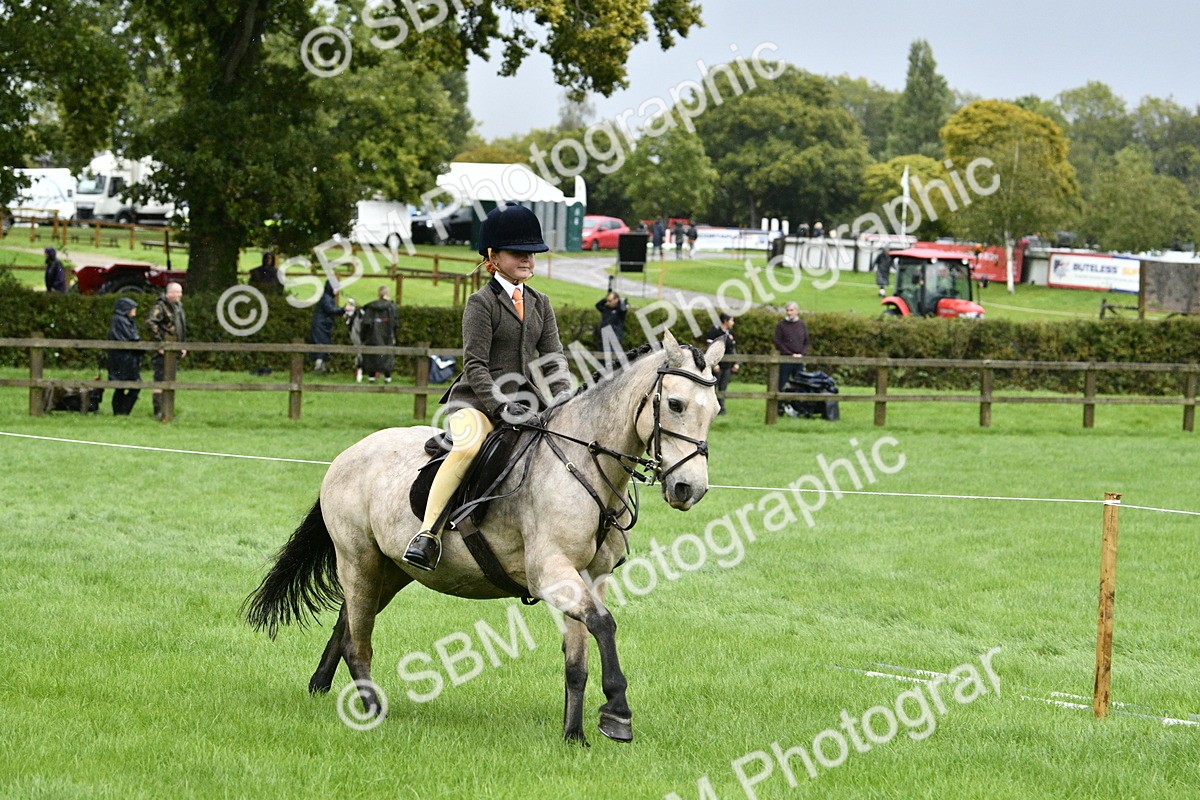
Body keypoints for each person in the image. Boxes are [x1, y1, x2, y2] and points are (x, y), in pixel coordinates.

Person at [403, 202, 573, 571]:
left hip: (529, 403)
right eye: (518, 253)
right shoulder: (480, 303)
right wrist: (499, 407)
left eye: (532, 253)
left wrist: (564, 398)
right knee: (467, 448)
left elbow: (554, 359)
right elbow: (474, 365)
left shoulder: (540, 303)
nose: (528, 260)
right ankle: (427, 534)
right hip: (477, 402)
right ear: (493, 256)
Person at [147, 281, 187, 421]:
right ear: (169, 293)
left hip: (175, 348)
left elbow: (180, 327)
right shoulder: (161, 306)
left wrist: (182, 345)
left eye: (180, 292)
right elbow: (151, 323)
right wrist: (160, 343)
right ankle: (158, 410)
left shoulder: (178, 307)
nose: (179, 295)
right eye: (177, 292)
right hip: (163, 350)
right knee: (160, 379)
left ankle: (168, 410)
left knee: (170, 380)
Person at [106, 297, 142, 415]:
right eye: (132, 308)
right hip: (122, 361)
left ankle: (122, 412)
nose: (134, 310)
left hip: (127, 360)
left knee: (126, 387)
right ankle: (121, 412)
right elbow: (131, 338)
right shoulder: (120, 321)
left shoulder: (126, 321)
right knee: (124, 386)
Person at [309, 279, 351, 373]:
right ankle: (318, 366)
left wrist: (341, 312)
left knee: (324, 344)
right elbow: (330, 310)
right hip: (321, 325)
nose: (337, 290)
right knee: (321, 344)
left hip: (323, 324)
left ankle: (321, 366)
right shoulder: (326, 298)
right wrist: (344, 309)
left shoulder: (327, 297)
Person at [359, 285, 397, 383]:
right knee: (387, 356)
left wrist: (363, 337)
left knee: (372, 356)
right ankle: (387, 378)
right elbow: (395, 323)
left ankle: (371, 378)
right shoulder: (391, 307)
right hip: (387, 337)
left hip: (372, 337)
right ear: (387, 293)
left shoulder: (370, 307)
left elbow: (365, 323)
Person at [703, 313, 739, 416]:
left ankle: (721, 408)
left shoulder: (730, 333)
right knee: (713, 386)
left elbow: (732, 349)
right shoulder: (714, 331)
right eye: (731, 320)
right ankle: (710, 407)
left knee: (723, 387)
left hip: (727, 365)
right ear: (725, 321)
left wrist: (735, 362)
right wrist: (714, 364)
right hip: (717, 365)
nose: (733, 323)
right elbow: (710, 348)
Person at [773, 302, 810, 395]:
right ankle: (780, 407)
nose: (789, 313)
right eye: (787, 310)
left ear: (797, 311)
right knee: (782, 383)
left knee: (799, 383)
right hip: (786, 359)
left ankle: (798, 407)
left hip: (799, 360)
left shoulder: (802, 324)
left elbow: (806, 341)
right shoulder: (781, 325)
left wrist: (802, 354)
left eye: (791, 310)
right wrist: (790, 354)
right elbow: (778, 341)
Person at [594, 291, 628, 359]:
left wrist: (621, 301)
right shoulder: (606, 309)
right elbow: (598, 305)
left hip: (613, 338)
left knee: (611, 359)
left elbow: (623, 310)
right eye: (607, 300)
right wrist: (605, 299)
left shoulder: (619, 311)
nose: (608, 302)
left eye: (610, 301)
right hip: (603, 337)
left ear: (616, 300)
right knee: (601, 358)